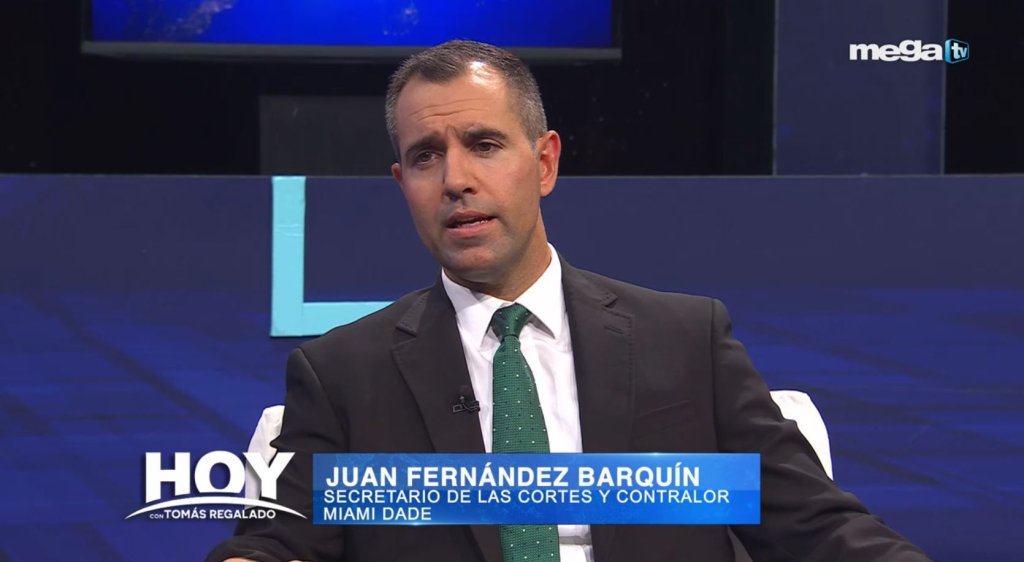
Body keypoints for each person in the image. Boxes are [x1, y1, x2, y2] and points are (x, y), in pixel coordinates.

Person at [208, 40, 929, 562]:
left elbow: (816, 528)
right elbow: (277, 540)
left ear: (545, 162)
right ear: (403, 184)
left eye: (484, 144)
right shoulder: (343, 374)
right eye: (426, 155)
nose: (455, 179)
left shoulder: (685, 341)